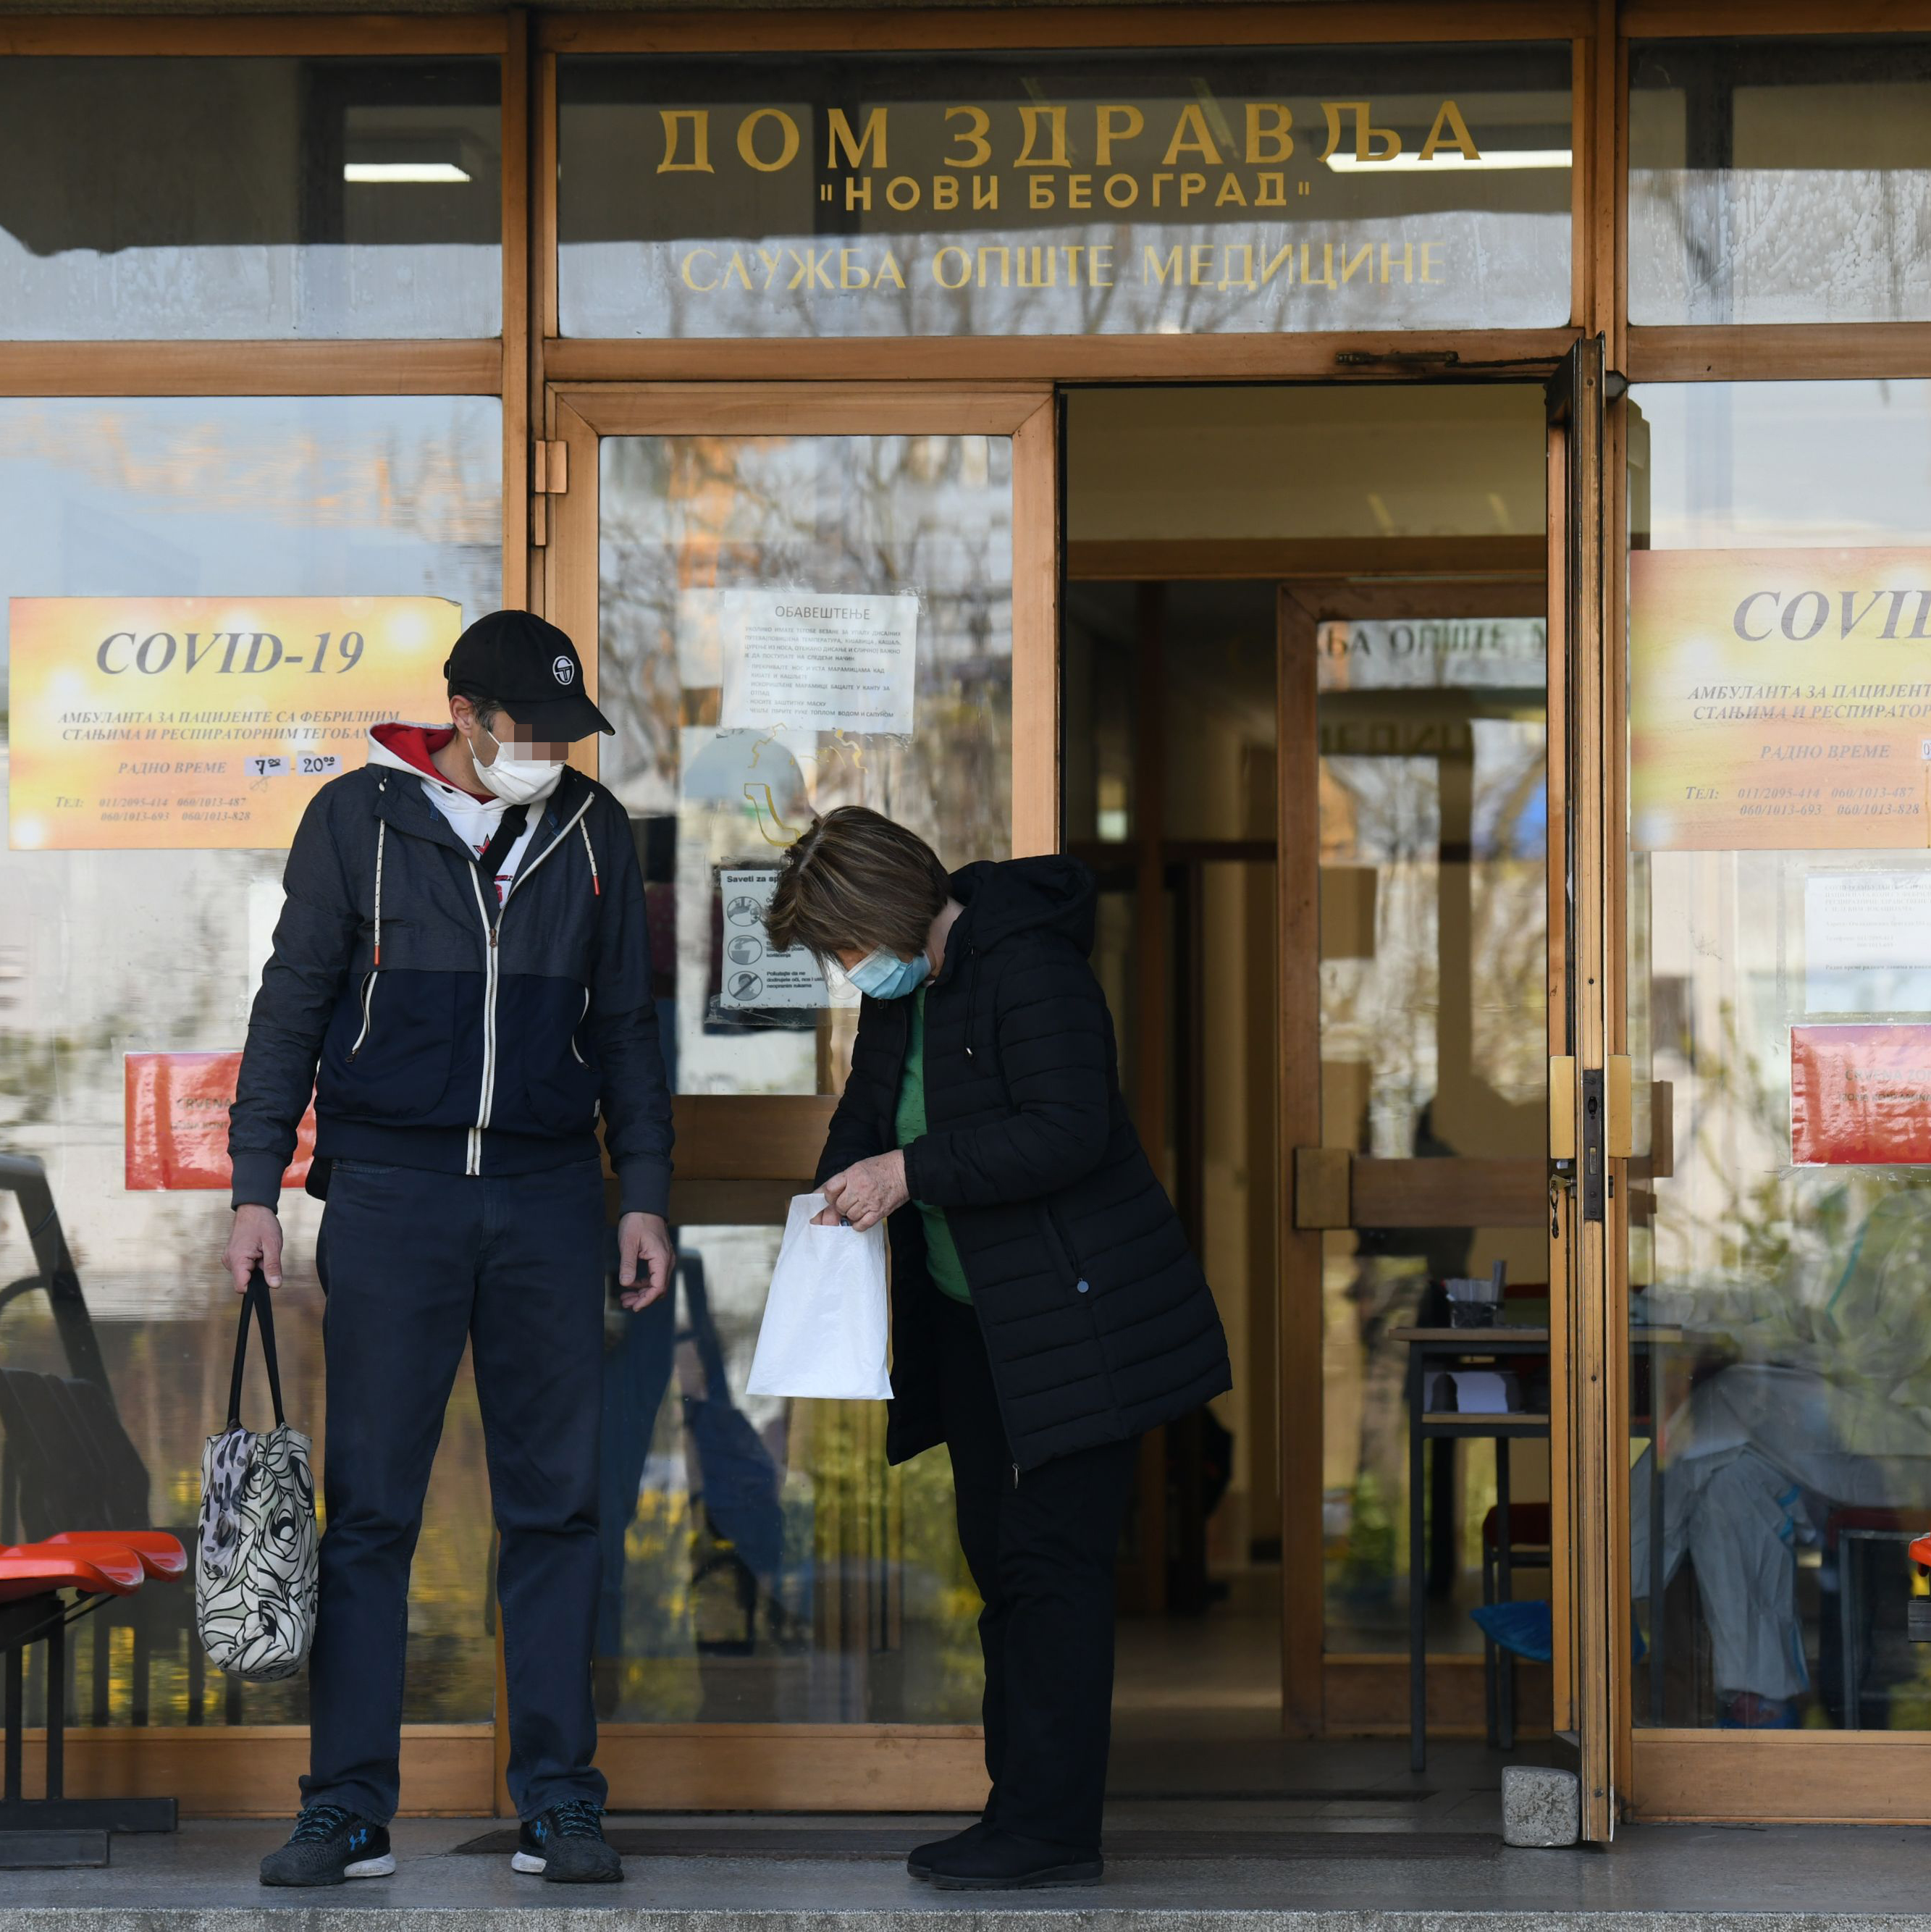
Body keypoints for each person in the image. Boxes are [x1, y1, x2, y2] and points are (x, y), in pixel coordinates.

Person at [224, 608, 674, 1887]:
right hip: (392, 1198)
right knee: (370, 1511)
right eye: (527, 730)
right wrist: (257, 1185)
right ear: (464, 718)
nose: (548, 752)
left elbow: (629, 1029)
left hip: (545, 1198)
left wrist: (638, 1187)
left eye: (565, 733)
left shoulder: (592, 830)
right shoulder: (356, 820)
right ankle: (348, 1807)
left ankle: (559, 1804)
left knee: (556, 1509)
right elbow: (292, 1002)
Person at [767, 807, 1231, 1891]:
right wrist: (840, 1190)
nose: (851, 974)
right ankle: (1016, 1808)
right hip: (975, 1321)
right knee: (1001, 1567)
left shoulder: (1029, 968)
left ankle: (1052, 1827)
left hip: (1075, 1324)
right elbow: (869, 1115)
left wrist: (909, 1176)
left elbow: (1069, 1127)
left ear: (885, 912)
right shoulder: (913, 994)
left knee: (1049, 1571)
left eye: (845, 948)